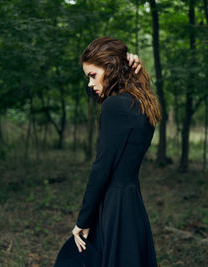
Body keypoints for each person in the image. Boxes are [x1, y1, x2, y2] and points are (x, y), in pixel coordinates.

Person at [54, 37, 162, 267]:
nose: (90, 85)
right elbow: (100, 94)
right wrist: (128, 67)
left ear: (111, 69)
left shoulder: (115, 107)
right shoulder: (142, 103)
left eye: (92, 75)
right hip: (131, 204)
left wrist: (83, 220)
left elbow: (101, 168)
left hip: (113, 207)